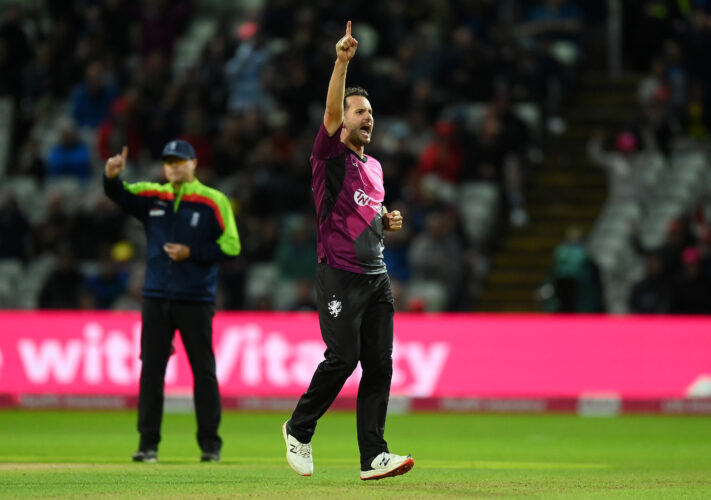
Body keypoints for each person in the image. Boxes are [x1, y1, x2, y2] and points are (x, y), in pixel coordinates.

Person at [281, 21, 414, 481]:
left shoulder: (374, 167)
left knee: (379, 366)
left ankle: (374, 456)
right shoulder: (329, 155)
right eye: (359, 112)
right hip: (338, 272)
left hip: (377, 276)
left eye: (370, 112)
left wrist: (385, 220)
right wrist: (342, 62)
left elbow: (367, 213)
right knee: (343, 359)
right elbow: (331, 113)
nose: (367, 118)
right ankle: (298, 429)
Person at [103, 139, 241, 463]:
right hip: (155, 297)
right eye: (169, 162)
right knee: (151, 372)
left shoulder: (213, 200)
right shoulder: (154, 195)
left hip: (195, 298)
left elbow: (232, 246)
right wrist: (111, 176)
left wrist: (192, 253)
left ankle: (210, 445)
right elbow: (120, 194)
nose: (173, 166)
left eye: (180, 161)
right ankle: (147, 444)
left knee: (203, 372)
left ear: (194, 163)